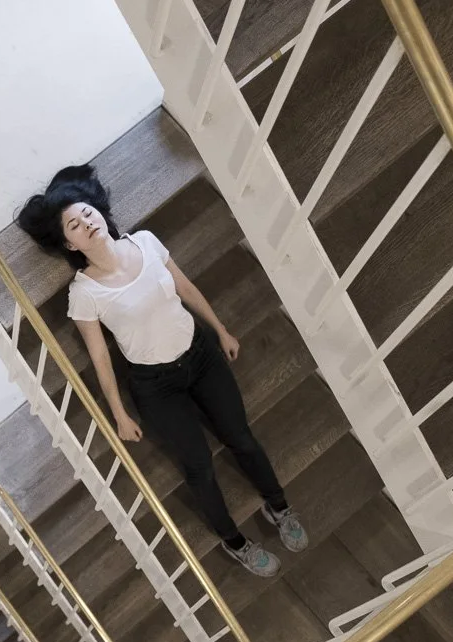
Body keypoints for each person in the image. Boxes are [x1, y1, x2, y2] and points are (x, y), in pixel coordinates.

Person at [17, 165, 306, 577]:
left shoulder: (146, 242)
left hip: (201, 355)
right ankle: (235, 542)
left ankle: (280, 507)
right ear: (68, 242)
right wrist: (118, 413)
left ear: (99, 210)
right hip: (156, 386)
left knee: (241, 437)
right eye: (74, 226)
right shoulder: (84, 293)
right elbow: (100, 357)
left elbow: (185, 289)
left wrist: (221, 330)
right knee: (199, 467)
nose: (86, 224)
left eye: (87, 214)